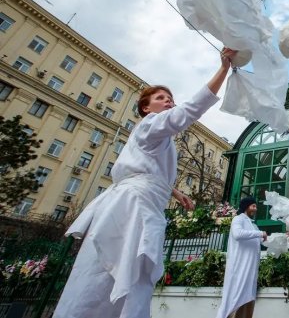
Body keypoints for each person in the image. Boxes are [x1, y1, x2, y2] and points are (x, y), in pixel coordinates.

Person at [53, 49, 239, 318]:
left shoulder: (158, 138)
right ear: (146, 108)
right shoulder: (151, 124)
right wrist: (223, 70)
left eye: (170, 98)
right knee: (121, 272)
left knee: (124, 272)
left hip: (141, 203)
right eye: (161, 98)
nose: (168, 101)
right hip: (133, 207)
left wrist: (175, 192)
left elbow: (146, 170)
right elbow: (190, 110)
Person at [216, 197, 267, 318]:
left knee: (248, 297)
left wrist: (283, 237)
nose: (255, 209)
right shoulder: (238, 219)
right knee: (235, 296)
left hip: (250, 270)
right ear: (246, 207)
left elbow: (264, 241)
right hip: (239, 268)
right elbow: (238, 234)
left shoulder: (253, 225)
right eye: (253, 206)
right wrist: (260, 233)